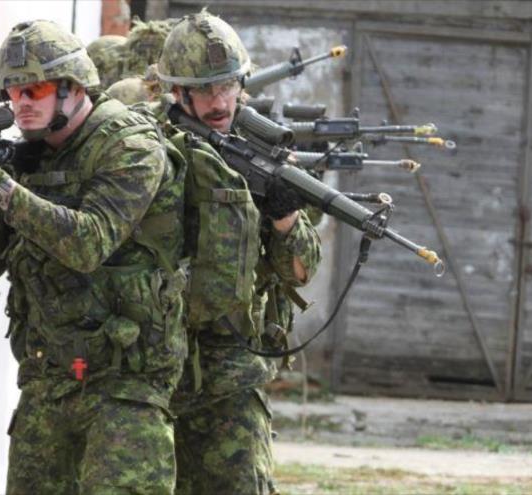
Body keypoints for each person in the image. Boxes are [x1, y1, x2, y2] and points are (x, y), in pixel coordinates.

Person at [0, 20, 187, 494]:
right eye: (11, 93)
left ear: (73, 87)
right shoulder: (31, 155)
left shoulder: (130, 144)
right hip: (48, 375)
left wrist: (1, 188)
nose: (21, 103)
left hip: (125, 382)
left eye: (34, 89)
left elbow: (90, 244)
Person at [153, 11, 322, 495]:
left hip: (231, 374)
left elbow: (302, 269)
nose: (219, 101)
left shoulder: (260, 150)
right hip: (152, 370)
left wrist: (284, 214)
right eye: (205, 90)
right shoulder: (148, 146)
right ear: (178, 92)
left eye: (228, 86)